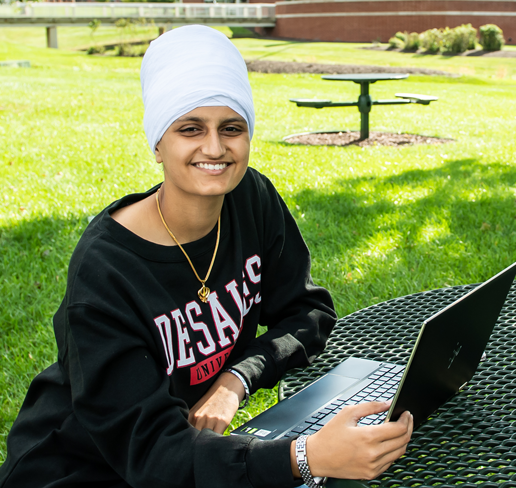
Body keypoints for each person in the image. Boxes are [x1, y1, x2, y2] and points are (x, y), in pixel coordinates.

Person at [0, 25, 413, 487]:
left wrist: (235, 380)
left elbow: (308, 312)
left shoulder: (250, 198)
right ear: (158, 142)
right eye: (190, 128)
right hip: (82, 470)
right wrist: (305, 457)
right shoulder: (107, 271)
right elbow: (154, 453)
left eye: (231, 128)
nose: (215, 148)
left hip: (188, 460)